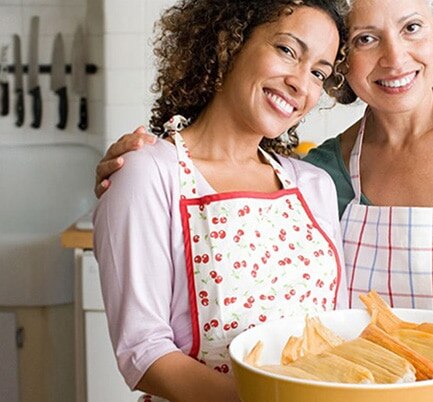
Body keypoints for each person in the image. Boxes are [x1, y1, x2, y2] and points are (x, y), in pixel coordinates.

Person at [95, 0, 433, 400]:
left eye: (412, 27)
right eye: (365, 38)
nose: (396, 58)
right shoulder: (325, 174)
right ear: (347, 68)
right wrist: (134, 171)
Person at [92, 1, 351, 401]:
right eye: (287, 50)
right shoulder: (148, 174)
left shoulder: (314, 186)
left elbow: (334, 332)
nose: (302, 82)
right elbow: (142, 351)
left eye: (319, 72)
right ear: (230, 43)